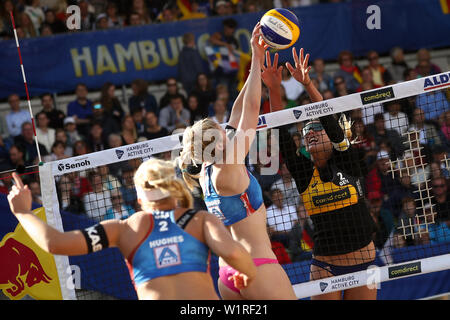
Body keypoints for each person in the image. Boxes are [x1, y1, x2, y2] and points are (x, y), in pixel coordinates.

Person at [6, 162, 257, 300]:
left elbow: (55, 244)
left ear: (139, 196)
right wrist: (246, 272)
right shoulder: (201, 219)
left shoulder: (123, 229)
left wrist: (23, 212)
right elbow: (234, 254)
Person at [178, 23, 296, 300]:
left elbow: (237, 111)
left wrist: (255, 66)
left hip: (227, 276)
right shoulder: (229, 164)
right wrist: (256, 57)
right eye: (220, 129)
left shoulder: (207, 168)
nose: (225, 128)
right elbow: (253, 109)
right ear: (218, 142)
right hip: (256, 268)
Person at [263, 47, 377, 300]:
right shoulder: (304, 173)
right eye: (305, 130)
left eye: (316, 127)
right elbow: (281, 133)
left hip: (365, 263)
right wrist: (273, 88)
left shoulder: (347, 160)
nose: (309, 131)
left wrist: (307, 83)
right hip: (326, 266)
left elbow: (331, 123)